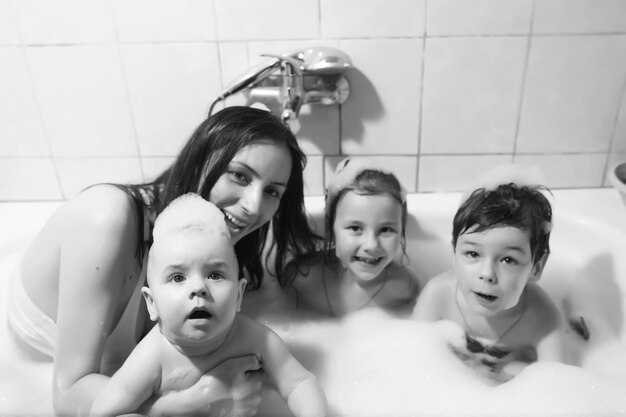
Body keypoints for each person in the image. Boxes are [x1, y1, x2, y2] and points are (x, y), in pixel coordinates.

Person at [6, 106, 321, 416]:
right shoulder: (104, 221)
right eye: (239, 175)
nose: (254, 206)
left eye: (272, 192)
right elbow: (68, 394)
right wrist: (194, 398)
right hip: (33, 353)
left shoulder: (220, 241)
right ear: (199, 161)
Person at [91, 194, 327, 417]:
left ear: (238, 295)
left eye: (215, 275)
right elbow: (104, 413)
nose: (199, 287)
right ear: (152, 304)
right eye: (177, 278)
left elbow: (298, 383)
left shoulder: (256, 339)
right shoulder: (153, 357)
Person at [412, 166, 562, 383]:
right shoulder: (438, 295)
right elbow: (411, 360)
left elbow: (558, 387)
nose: (487, 274)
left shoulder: (543, 318)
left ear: (536, 267)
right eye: (473, 253)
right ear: (454, 252)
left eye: (508, 260)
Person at [291, 157, 420, 317]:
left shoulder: (402, 287)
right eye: (355, 228)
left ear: (401, 231)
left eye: (386, 229)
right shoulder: (301, 278)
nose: (371, 245)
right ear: (332, 230)